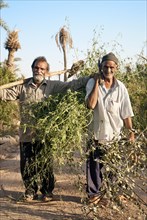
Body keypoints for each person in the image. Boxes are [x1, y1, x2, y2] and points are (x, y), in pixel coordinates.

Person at [0, 56, 90, 202]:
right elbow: (5, 94)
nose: (38, 70)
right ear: (32, 69)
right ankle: (30, 191)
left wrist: (89, 79)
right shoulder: (22, 87)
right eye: (36, 67)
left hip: (44, 134)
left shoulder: (53, 86)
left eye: (42, 68)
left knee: (45, 164)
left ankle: (47, 191)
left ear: (47, 71)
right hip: (26, 134)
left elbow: (71, 86)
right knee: (27, 164)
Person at [85, 52, 135, 205]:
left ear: (116, 68)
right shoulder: (92, 83)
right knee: (94, 168)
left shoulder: (121, 88)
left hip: (115, 136)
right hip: (95, 134)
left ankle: (116, 193)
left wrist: (130, 132)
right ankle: (94, 195)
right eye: (105, 66)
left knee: (115, 167)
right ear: (100, 67)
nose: (108, 70)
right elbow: (91, 105)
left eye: (111, 67)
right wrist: (95, 84)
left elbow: (126, 112)